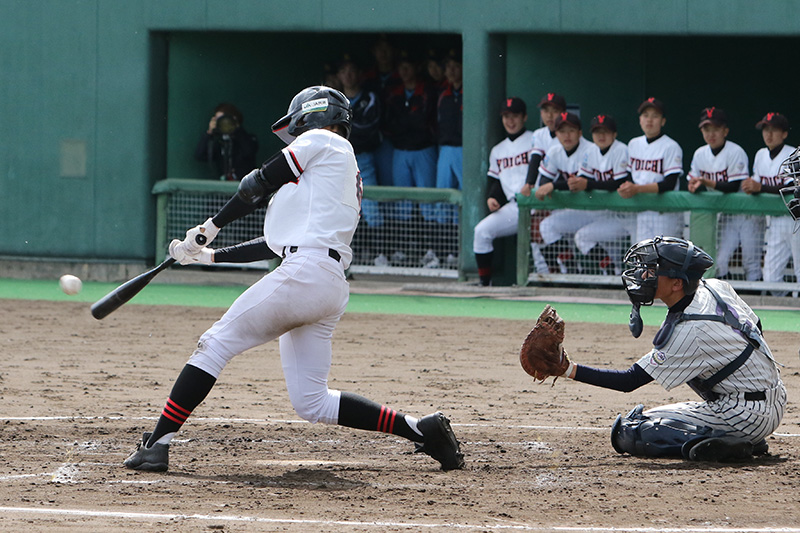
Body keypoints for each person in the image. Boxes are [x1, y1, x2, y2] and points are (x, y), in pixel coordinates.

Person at [123, 86, 465, 473]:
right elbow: (275, 244)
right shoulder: (331, 167)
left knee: (213, 345)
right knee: (312, 401)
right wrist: (209, 255)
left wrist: (209, 227)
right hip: (326, 282)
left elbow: (256, 183)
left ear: (311, 116)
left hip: (307, 274)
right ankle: (422, 430)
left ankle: (157, 445)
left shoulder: (323, 140)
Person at [559, 236, 786, 462]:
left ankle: (734, 440)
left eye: (653, 270)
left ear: (677, 283)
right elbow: (756, 326)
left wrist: (567, 369)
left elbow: (629, 381)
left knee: (633, 432)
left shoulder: (691, 331)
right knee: (645, 418)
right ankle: (743, 436)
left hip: (744, 414)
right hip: (771, 398)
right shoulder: (716, 287)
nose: (643, 275)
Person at [687, 107, 762, 281]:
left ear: (725, 131)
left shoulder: (736, 152)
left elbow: (733, 186)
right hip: (727, 215)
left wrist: (705, 181)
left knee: (751, 262)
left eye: (716, 129)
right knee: (719, 261)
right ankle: (726, 298)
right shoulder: (699, 154)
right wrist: (693, 185)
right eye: (707, 129)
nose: (711, 134)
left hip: (747, 215)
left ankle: (759, 300)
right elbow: (693, 181)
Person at [384, 50, 439, 266]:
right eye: (401, 67)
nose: (405, 71)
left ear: (416, 68)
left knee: (428, 203)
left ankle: (432, 250)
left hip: (423, 150)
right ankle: (402, 249)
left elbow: (426, 122)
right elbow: (390, 123)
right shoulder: (394, 92)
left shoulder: (427, 90)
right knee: (402, 203)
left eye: (408, 66)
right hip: (400, 151)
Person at [473, 97, 534, 286]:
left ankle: (552, 284)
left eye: (515, 116)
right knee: (481, 231)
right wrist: (492, 197)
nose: (510, 121)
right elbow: (496, 182)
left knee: (542, 241)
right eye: (506, 116)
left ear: (524, 117)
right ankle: (485, 283)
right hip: (514, 208)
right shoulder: (498, 150)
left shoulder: (535, 140)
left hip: (538, 205)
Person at [336, 54, 387, 265]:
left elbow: (367, 131)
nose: (348, 75)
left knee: (371, 207)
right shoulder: (335, 100)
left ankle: (380, 253)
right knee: (340, 207)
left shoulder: (370, 98)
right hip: (338, 161)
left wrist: (344, 132)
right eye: (344, 71)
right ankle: (351, 253)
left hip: (363, 158)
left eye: (352, 70)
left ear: (359, 74)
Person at [741, 113, 799, 293]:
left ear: (784, 133)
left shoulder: (794, 154)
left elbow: (792, 188)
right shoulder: (760, 155)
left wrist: (760, 187)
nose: (769, 134)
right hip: (774, 222)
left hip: (795, 219)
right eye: (766, 129)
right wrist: (751, 187)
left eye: (774, 130)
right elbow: (757, 185)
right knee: (771, 276)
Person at [534, 112, 597, 274]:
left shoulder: (591, 149)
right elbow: (543, 181)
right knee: (547, 226)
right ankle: (572, 271)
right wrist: (549, 186)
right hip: (574, 211)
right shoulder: (555, 151)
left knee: (613, 256)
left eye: (571, 130)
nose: (566, 135)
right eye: (562, 131)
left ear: (580, 133)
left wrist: (553, 186)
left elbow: (577, 184)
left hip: (597, 209)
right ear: (556, 134)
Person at [619, 98, 684, 242]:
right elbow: (630, 176)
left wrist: (637, 189)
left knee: (666, 260)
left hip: (665, 213)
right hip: (642, 212)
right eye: (645, 115)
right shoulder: (633, 144)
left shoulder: (671, 146)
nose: (649, 120)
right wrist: (627, 186)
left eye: (655, 116)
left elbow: (669, 184)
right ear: (640, 120)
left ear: (663, 121)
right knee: (644, 259)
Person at [572, 114, 631, 275]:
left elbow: (618, 183)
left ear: (614, 134)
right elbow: (584, 178)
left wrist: (587, 184)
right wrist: (576, 183)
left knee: (641, 257)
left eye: (605, 131)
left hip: (629, 217)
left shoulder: (622, 150)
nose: (601, 136)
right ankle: (613, 273)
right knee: (585, 238)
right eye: (597, 132)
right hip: (607, 215)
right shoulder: (590, 151)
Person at [519, 92, 567, 274]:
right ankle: (547, 273)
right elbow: (535, 158)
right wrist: (529, 183)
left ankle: (568, 273)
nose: (549, 115)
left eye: (554, 111)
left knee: (561, 235)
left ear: (563, 113)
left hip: (563, 192)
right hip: (545, 189)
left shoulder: (569, 133)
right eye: (545, 110)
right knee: (537, 232)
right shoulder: (539, 135)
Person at [428, 48, 463, 267]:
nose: (450, 71)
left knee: (462, 201)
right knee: (442, 202)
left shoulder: (467, 91)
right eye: (447, 66)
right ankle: (442, 253)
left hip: (463, 149)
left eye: (454, 66)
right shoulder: (444, 93)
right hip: (445, 150)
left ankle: (459, 253)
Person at [193, 103, 259, 181]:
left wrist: (236, 128)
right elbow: (200, 155)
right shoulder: (219, 142)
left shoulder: (249, 139)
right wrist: (209, 133)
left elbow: (248, 152)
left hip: (245, 184)